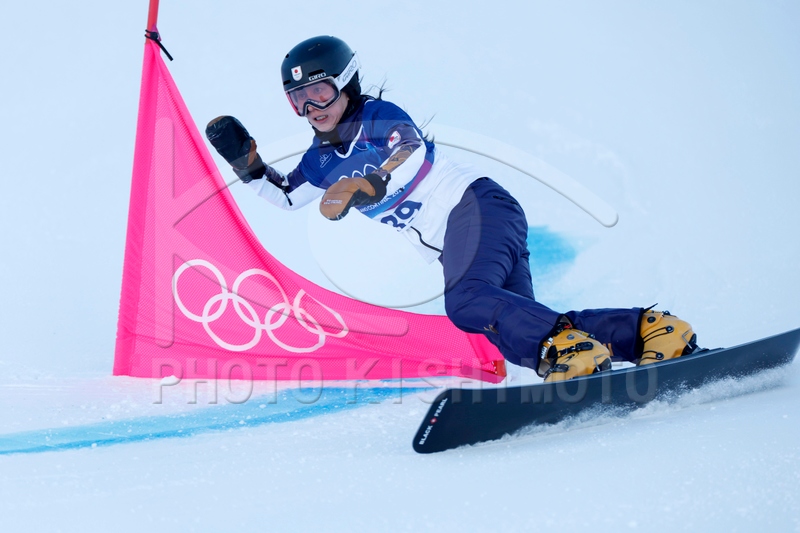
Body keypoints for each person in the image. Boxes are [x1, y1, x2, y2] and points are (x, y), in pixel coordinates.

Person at [206, 35, 698, 382]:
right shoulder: (320, 159)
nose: (313, 109)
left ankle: (578, 348)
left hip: (476, 208)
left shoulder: (376, 117)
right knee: (516, 331)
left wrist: (369, 184)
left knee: (465, 303)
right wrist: (245, 164)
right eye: (299, 99)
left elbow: (410, 149)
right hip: (472, 230)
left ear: (346, 83)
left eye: (320, 92)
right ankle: (647, 332)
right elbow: (287, 196)